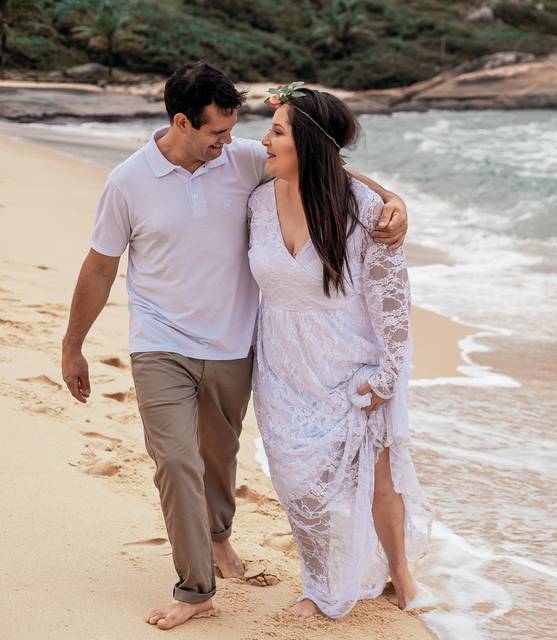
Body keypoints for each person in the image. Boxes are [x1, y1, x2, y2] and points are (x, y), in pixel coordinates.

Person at [60, 62, 408, 631]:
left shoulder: (242, 160)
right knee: (175, 459)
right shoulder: (128, 181)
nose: (230, 143)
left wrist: (393, 199)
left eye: (233, 130)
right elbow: (100, 266)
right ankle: (196, 587)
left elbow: (330, 170)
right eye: (217, 133)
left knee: (219, 459)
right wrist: (74, 346)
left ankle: (219, 536)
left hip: (233, 345)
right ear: (181, 122)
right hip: (159, 342)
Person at [248, 83, 432, 618]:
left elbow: (392, 301)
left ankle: (399, 572)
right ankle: (319, 581)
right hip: (281, 360)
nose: (264, 140)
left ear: (306, 142)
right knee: (296, 478)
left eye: (277, 131)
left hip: (352, 360)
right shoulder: (257, 198)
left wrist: (388, 373)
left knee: (378, 475)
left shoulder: (364, 211)